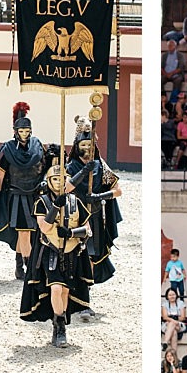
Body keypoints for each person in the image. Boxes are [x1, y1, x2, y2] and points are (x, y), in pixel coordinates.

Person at [21, 163, 94, 348]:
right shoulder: (42, 201)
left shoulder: (75, 201)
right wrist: (55, 207)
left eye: (62, 179)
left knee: (65, 291)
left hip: (71, 252)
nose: (58, 182)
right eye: (54, 179)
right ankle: (60, 328)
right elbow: (44, 227)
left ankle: (58, 320)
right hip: (51, 251)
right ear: (49, 181)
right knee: (55, 288)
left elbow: (88, 229)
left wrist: (71, 233)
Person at [0, 102, 45, 280]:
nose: (24, 134)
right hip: (17, 196)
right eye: (21, 131)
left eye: (27, 131)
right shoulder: (8, 149)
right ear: (15, 131)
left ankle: (19, 267)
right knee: (24, 232)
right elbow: (0, 177)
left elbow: (45, 166)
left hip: (35, 195)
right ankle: (29, 267)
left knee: (30, 233)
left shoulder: (37, 146)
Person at [66, 119, 123, 298]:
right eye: (83, 144)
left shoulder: (101, 165)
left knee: (92, 254)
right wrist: (83, 172)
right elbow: (65, 188)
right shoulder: (70, 166)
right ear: (77, 146)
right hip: (76, 218)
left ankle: (86, 290)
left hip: (96, 216)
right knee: (76, 252)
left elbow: (117, 190)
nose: (87, 147)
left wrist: (100, 196)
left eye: (89, 144)